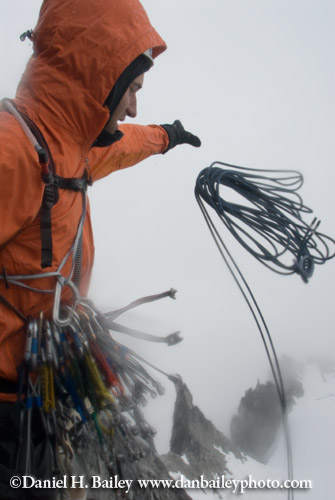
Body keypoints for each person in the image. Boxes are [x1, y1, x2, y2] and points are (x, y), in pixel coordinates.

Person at [0, 0, 200, 498]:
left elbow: (124, 143)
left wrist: (166, 137)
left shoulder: (70, 146)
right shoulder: (15, 153)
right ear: (99, 79)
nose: (134, 106)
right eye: (131, 89)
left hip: (34, 384)